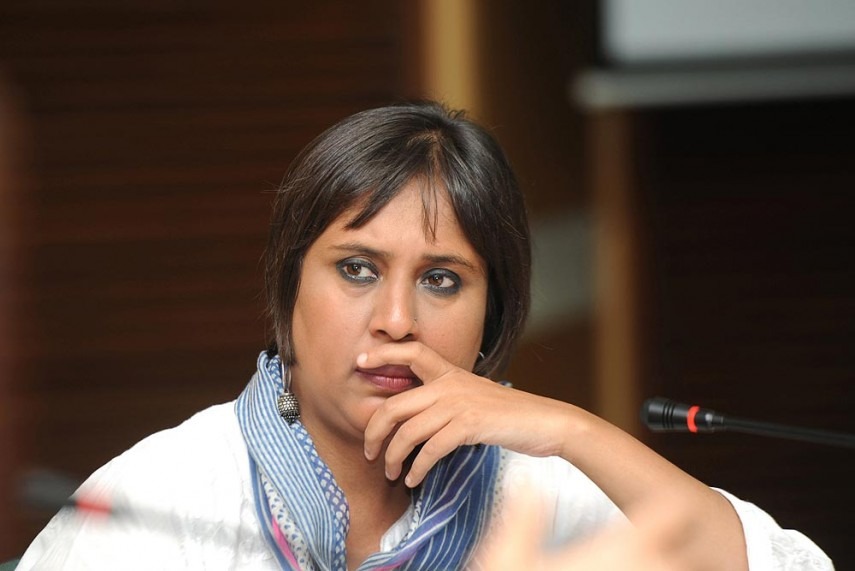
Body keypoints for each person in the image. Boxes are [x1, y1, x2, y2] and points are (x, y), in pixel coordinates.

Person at [16, 101, 832, 570]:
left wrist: (572, 430)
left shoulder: (538, 486)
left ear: (490, 315)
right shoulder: (159, 499)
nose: (397, 319)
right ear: (288, 289)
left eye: (441, 279)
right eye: (357, 269)